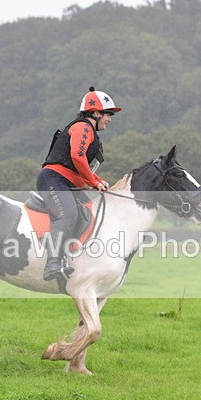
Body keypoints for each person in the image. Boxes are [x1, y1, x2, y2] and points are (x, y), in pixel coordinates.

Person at [37, 87, 121, 281]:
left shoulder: (90, 131)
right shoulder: (83, 127)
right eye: (108, 114)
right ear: (96, 113)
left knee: (88, 213)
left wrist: (98, 180)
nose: (110, 119)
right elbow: (77, 156)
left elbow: (80, 167)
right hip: (53, 180)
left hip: (65, 182)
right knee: (69, 214)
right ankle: (53, 263)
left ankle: (72, 256)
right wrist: (92, 181)